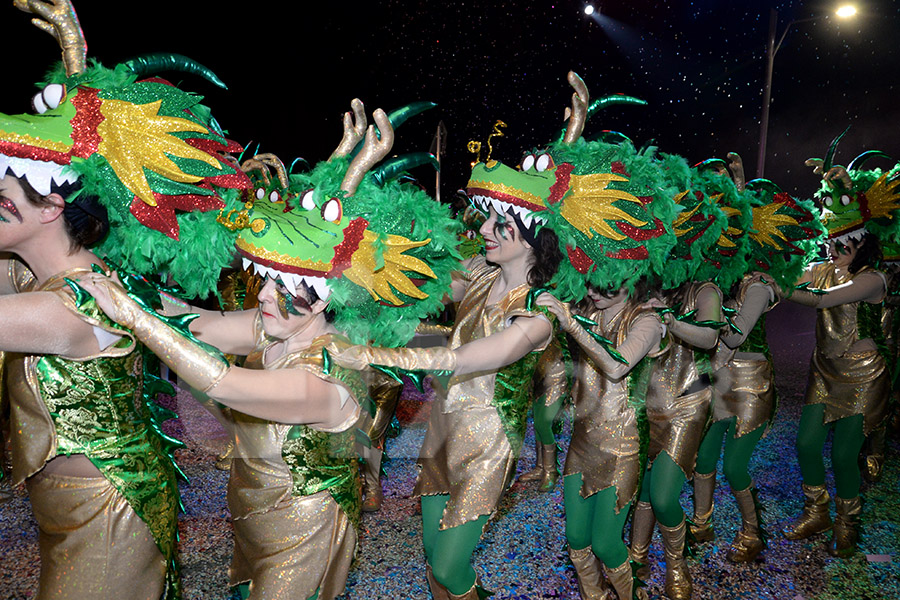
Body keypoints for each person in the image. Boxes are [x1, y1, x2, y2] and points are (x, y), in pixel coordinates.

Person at [540, 282, 663, 600]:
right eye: (590, 283)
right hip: (583, 443)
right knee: (577, 539)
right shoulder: (586, 311)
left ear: (631, 279)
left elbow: (617, 366)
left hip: (622, 445)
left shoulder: (645, 320)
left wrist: (572, 325)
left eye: (606, 286)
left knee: (606, 542)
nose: (594, 293)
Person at [782, 234, 888, 557]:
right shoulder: (822, 268)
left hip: (862, 376)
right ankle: (817, 513)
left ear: (862, 245)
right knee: (806, 444)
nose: (833, 251)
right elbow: (789, 275)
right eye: (831, 244)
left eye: (843, 246)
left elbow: (824, 300)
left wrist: (779, 289)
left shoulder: (872, 279)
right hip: (824, 370)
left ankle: (847, 524)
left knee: (843, 456)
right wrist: (766, 273)